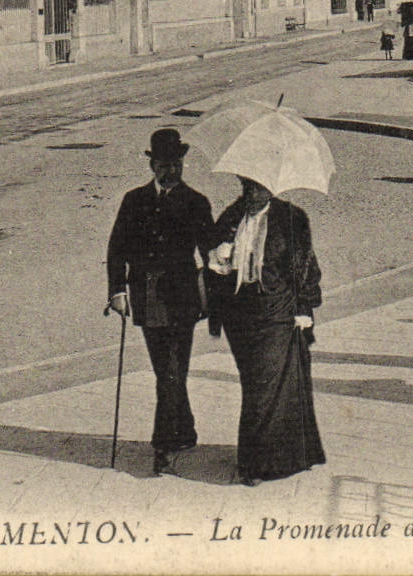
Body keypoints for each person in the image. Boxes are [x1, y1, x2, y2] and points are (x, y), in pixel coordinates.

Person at [106, 128, 217, 475]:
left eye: (177, 165)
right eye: (165, 166)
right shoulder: (133, 200)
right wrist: (118, 291)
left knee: (170, 372)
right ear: (152, 165)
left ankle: (163, 446)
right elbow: (116, 250)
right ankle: (184, 430)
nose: (172, 171)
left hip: (183, 299)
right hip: (146, 296)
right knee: (166, 372)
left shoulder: (196, 202)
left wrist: (215, 291)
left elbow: (210, 251)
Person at [204, 176, 327, 485]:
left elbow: (306, 267)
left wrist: (304, 308)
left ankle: (254, 465)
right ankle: (285, 457)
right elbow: (213, 260)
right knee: (254, 383)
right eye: (246, 187)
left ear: (272, 188)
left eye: (257, 188)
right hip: (239, 313)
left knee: (264, 385)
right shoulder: (232, 217)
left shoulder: (291, 218)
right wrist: (218, 258)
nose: (251, 194)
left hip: (276, 310)